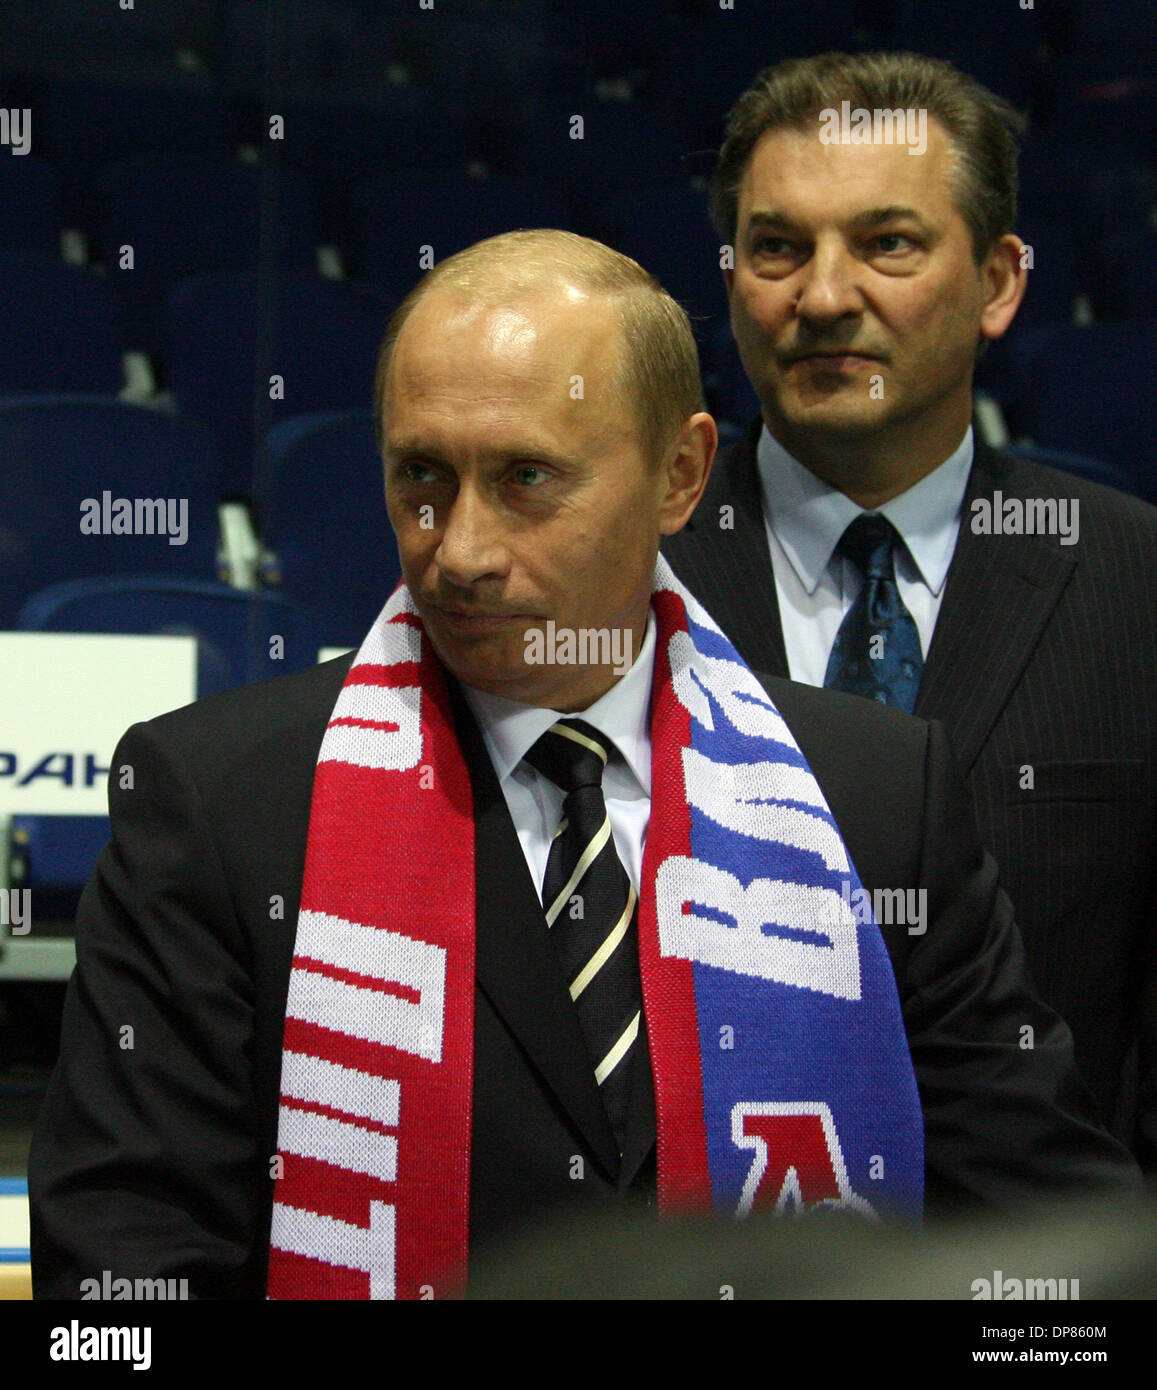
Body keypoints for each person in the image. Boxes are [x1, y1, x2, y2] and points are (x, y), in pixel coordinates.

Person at [30, 231, 1139, 1302]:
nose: (456, 549)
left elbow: (1044, 1244)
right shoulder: (221, 802)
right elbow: (126, 1270)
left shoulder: (877, 796)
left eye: (526, 478)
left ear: (679, 475)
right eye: (421, 474)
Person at [662, 51, 1157, 1169]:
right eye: (778, 248)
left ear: (996, 282)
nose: (823, 295)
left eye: (885, 243)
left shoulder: (1135, 586)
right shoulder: (621, 574)